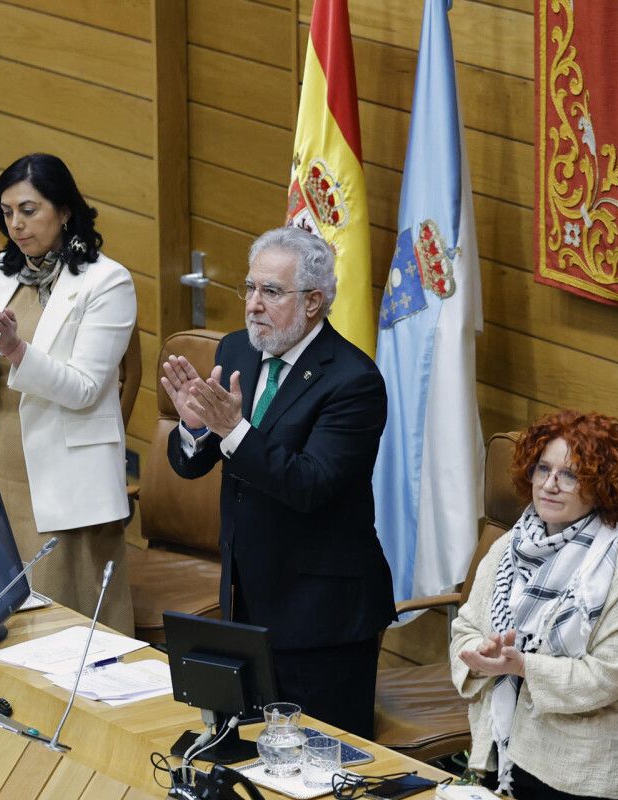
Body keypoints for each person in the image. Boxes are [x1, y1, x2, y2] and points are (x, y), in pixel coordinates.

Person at [162, 226, 395, 738]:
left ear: (313, 302)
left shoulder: (353, 381)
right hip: (246, 596)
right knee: (249, 755)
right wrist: (195, 428)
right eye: (249, 288)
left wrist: (232, 429)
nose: (253, 305)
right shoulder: (236, 350)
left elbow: (308, 485)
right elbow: (192, 465)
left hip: (322, 617)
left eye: (271, 292)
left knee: (316, 762)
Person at [0, 153, 136, 634]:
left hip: (64, 481)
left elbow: (85, 389)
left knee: (62, 630)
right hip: (1, 471)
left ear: (64, 210)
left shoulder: (107, 281)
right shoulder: (6, 272)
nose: (16, 225)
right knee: (0, 617)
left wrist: (16, 349)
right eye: (7, 213)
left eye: (29, 210)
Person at [449, 410, 618, 800]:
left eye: (570, 475)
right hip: (508, 752)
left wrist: (522, 665)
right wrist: (480, 654)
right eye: (542, 469)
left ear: (602, 486)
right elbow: (466, 626)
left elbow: (607, 677)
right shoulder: (510, 545)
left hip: (588, 771)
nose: (550, 485)